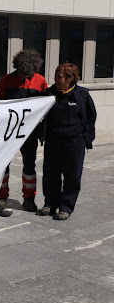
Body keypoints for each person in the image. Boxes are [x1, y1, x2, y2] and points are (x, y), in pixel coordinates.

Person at [38, 63, 96, 220]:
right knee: (50, 174)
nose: (56, 79)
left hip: (75, 143)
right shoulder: (49, 93)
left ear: (70, 78)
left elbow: (91, 116)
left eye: (60, 76)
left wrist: (86, 137)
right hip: (53, 141)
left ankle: (66, 207)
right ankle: (50, 203)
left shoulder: (82, 95)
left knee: (72, 176)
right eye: (56, 75)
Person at [0, 49, 48, 214]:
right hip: (8, 133)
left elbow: (45, 108)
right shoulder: (5, 81)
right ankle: (1, 197)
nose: (26, 76)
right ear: (17, 67)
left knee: (29, 167)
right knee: (4, 166)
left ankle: (29, 199)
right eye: (23, 73)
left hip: (30, 133)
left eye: (29, 73)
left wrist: (41, 133)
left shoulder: (40, 81)